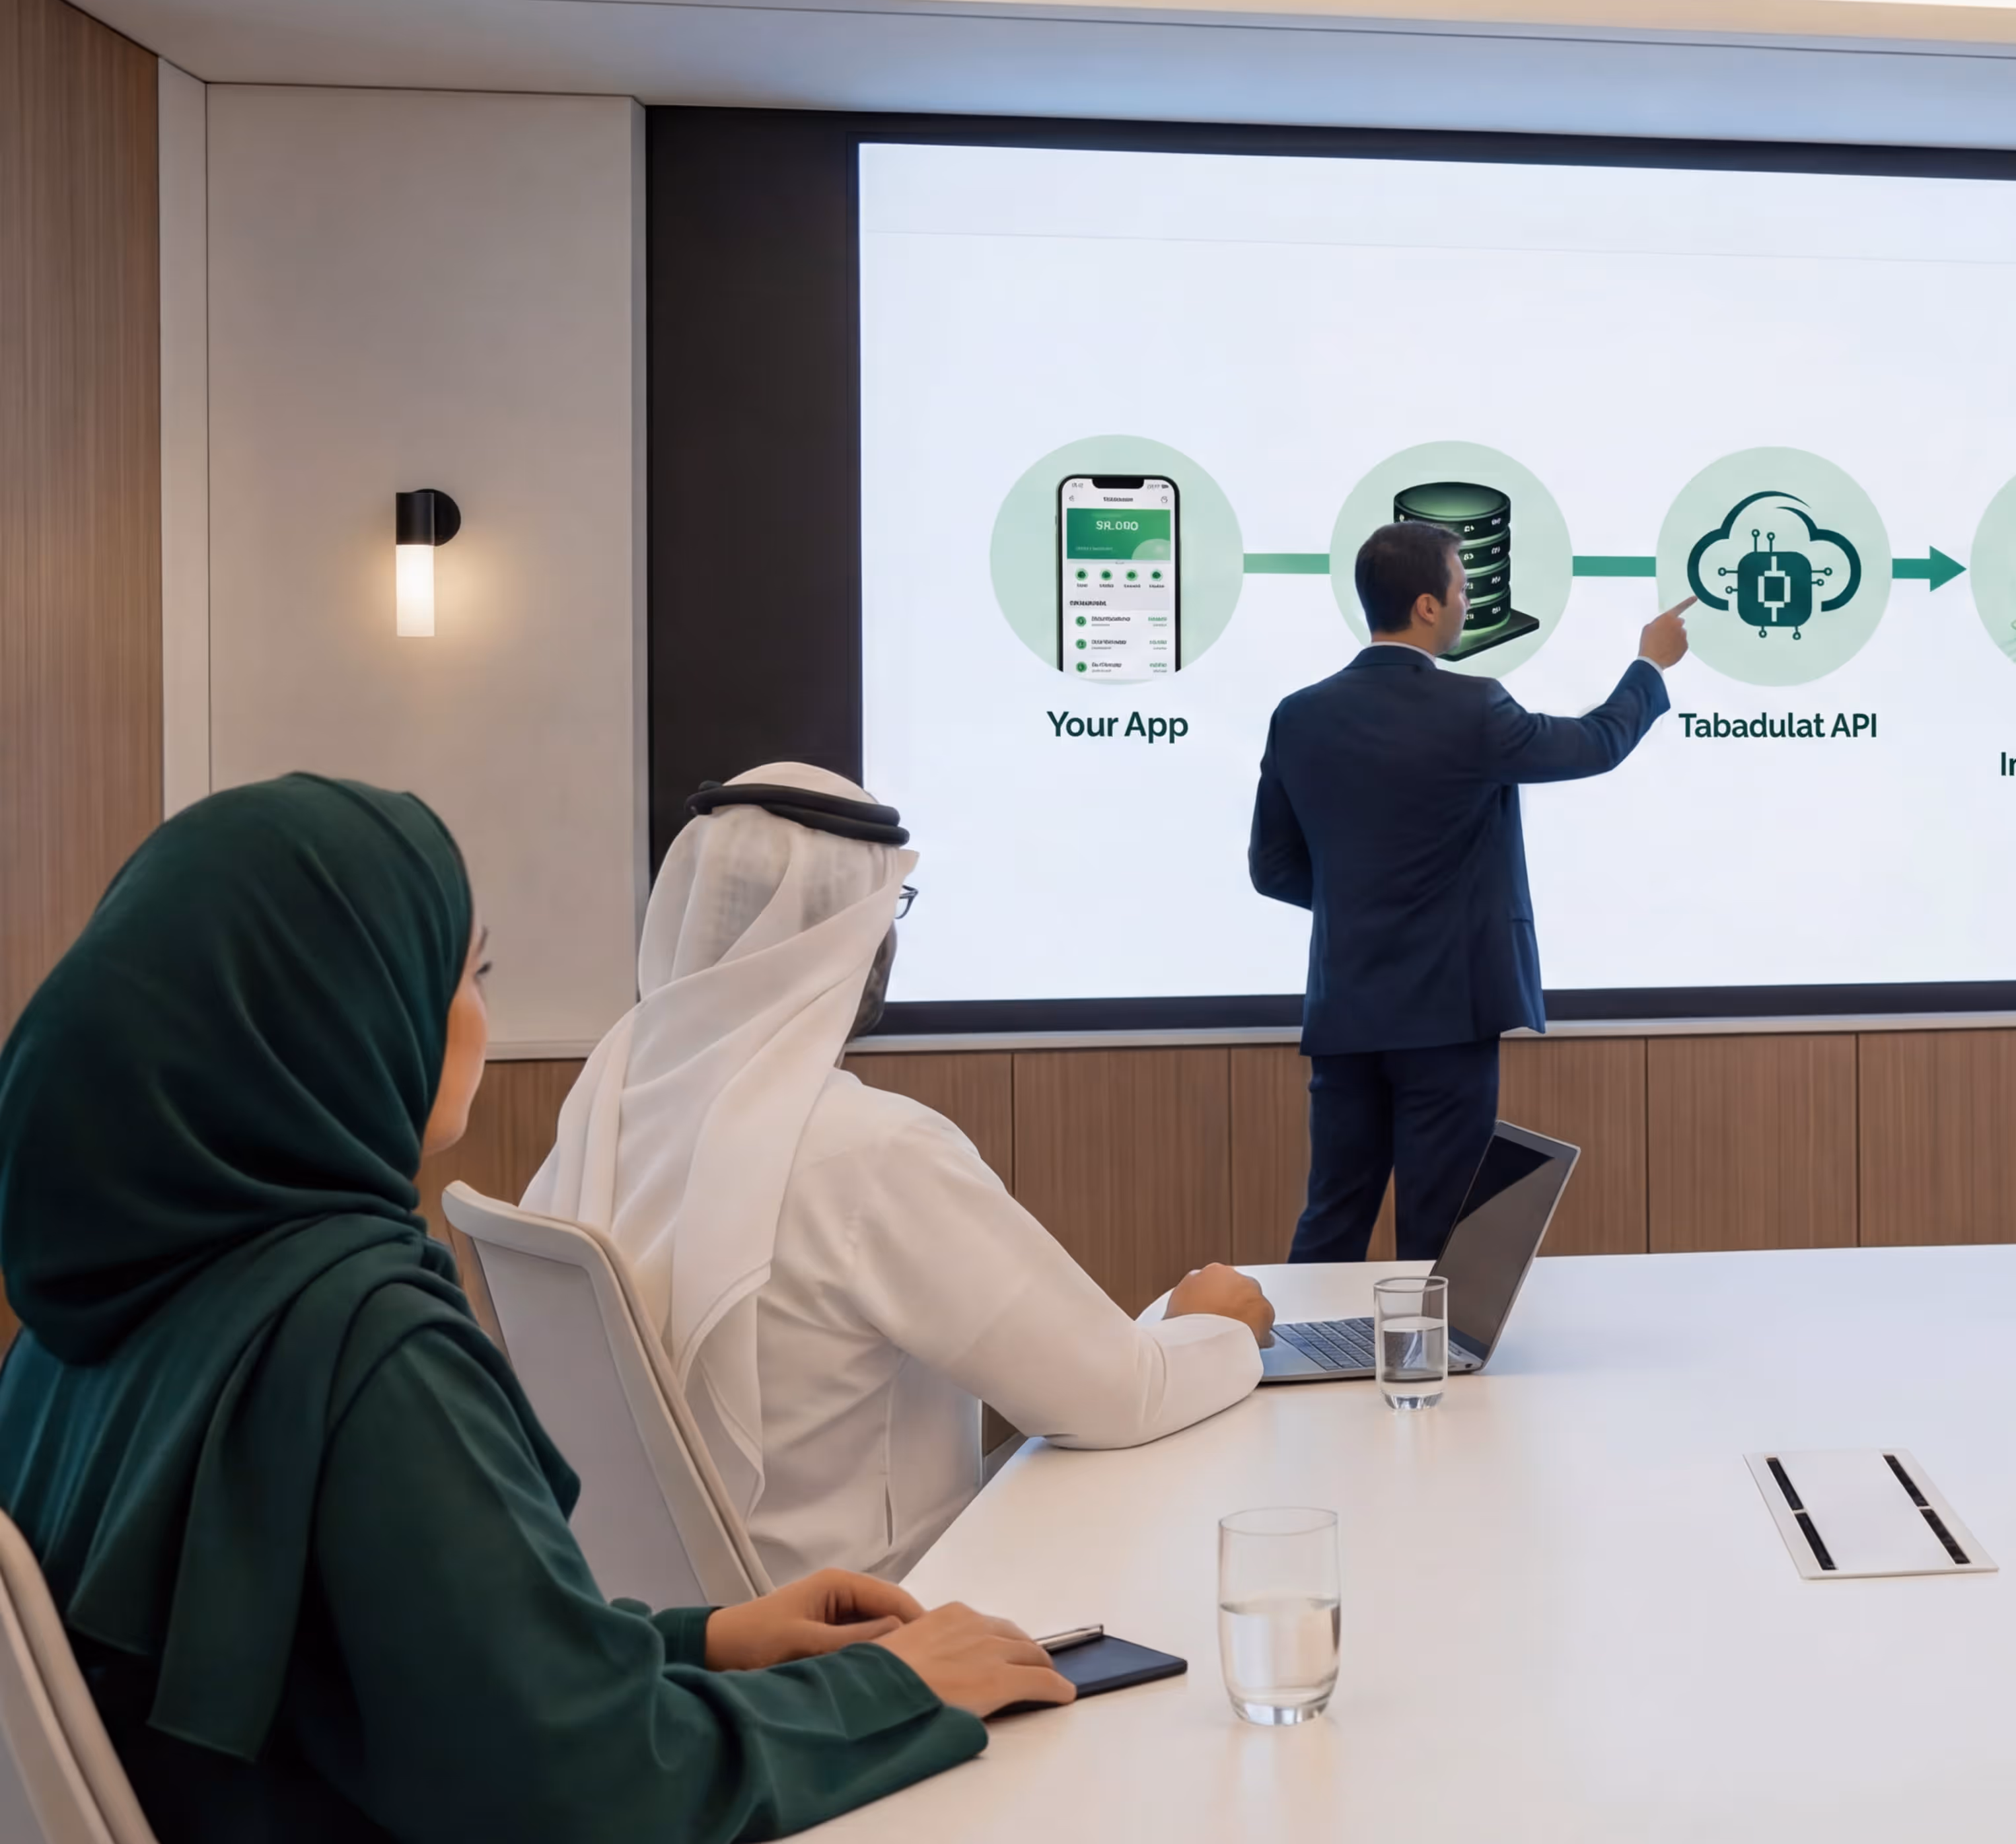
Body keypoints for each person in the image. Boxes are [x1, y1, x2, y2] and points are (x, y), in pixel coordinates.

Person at [0, 775, 1069, 1841]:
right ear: (344, 1007)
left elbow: (409, 1672)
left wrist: (704, 1641)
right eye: (466, 975)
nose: (481, 1018)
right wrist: (902, 1687)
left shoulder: (82, 1325)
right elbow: (589, 1789)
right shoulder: (359, 1343)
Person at [525, 763, 1273, 1587]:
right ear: (856, 934)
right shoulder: (870, 1151)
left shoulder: (604, 1115)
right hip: (885, 1633)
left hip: (667, 1642)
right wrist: (1213, 1323)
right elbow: (1116, 1398)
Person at [1250, 520, 1690, 1261]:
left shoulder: (1299, 715)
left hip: (1346, 1011)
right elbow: (1594, 745)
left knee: (1331, 1218)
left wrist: (1363, 903)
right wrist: (1649, 667)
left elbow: (1274, 868)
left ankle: (1304, 1369)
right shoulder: (1471, 708)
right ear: (1426, 606)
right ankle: (1424, 1375)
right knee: (1438, 1227)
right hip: (1448, 1015)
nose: (1465, 604)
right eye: (1461, 589)